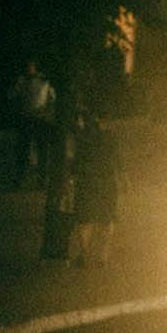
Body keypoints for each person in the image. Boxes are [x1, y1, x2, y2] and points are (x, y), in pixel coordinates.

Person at [69, 107, 121, 265]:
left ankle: (84, 254)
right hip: (107, 179)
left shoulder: (81, 139)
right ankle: (102, 257)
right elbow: (117, 159)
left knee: (85, 218)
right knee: (107, 218)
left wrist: (72, 176)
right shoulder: (110, 137)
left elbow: (75, 161)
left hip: (86, 180)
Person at [7, 60, 56, 186]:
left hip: (40, 119)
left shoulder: (44, 80)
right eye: (27, 66)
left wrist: (47, 113)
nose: (29, 68)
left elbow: (52, 99)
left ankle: (42, 178)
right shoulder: (22, 81)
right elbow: (12, 96)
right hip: (26, 119)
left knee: (42, 150)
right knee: (23, 150)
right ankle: (20, 177)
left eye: (31, 66)